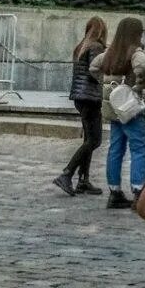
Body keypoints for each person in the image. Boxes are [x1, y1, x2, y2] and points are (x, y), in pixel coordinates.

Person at [90, 17, 145, 209]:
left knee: (115, 148)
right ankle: (138, 190)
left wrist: (107, 84)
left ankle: (114, 191)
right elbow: (144, 67)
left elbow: (93, 67)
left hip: (115, 108)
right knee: (139, 148)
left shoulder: (110, 52)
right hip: (131, 108)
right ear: (136, 33)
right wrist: (140, 85)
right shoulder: (135, 52)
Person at [52, 17, 107, 196]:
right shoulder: (96, 47)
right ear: (101, 31)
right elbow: (95, 72)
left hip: (79, 97)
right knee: (94, 140)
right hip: (91, 97)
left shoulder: (81, 46)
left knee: (88, 140)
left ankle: (84, 180)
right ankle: (67, 174)